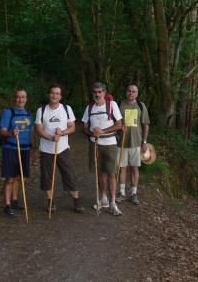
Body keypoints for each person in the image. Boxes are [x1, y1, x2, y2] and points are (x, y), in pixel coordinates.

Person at [35, 83, 84, 213]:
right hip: (46, 149)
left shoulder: (66, 109)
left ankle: (77, 202)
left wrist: (62, 133)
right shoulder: (42, 110)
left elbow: (72, 127)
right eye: (52, 93)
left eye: (57, 93)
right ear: (48, 94)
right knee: (47, 177)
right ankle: (50, 202)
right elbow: (39, 130)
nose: (54, 95)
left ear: (61, 96)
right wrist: (51, 138)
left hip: (62, 148)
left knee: (69, 174)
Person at [82, 82, 123, 216]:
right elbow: (85, 128)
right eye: (95, 92)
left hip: (110, 143)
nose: (97, 94)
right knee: (99, 172)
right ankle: (103, 199)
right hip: (95, 144)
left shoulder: (112, 105)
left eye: (100, 92)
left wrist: (102, 131)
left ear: (104, 93)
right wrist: (91, 132)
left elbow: (118, 125)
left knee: (111, 173)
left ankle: (112, 203)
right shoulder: (89, 108)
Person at [0, 88, 35, 217]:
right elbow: (2, 131)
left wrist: (32, 148)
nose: (21, 99)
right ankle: (7, 205)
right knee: (9, 178)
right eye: (18, 97)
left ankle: (14, 200)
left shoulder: (29, 114)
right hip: (10, 148)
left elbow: (31, 131)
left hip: (25, 149)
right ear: (15, 99)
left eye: (23, 97)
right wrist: (11, 133)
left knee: (19, 177)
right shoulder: (8, 112)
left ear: (26, 99)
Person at [116, 84, 150, 204]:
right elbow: (114, 123)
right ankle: (121, 192)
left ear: (137, 93)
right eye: (129, 91)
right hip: (121, 142)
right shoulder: (119, 105)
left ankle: (134, 193)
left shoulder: (141, 106)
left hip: (136, 142)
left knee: (135, 168)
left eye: (134, 91)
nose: (131, 93)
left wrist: (144, 142)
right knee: (122, 168)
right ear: (126, 92)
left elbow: (145, 125)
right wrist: (119, 128)